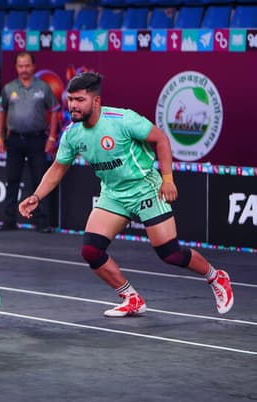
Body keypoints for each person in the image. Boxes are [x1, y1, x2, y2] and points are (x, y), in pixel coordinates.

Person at [19, 72, 234, 317]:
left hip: (145, 187)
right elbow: (58, 168)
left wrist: (167, 180)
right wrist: (36, 196)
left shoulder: (123, 120)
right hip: (113, 193)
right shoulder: (72, 134)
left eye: (79, 100)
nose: (73, 105)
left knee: (170, 253)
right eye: (70, 99)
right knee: (91, 251)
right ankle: (131, 298)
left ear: (96, 101)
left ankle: (216, 277)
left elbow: (161, 139)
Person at [0, 51, 59, 233]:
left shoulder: (43, 87)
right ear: (16, 67)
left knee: (39, 180)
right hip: (14, 139)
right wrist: (0, 136)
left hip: (37, 139)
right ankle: (9, 220)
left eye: (27, 65)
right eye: (20, 66)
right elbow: (1, 112)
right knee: (12, 180)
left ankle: (42, 222)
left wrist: (52, 137)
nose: (24, 69)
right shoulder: (8, 88)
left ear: (33, 66)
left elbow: (55, 110)